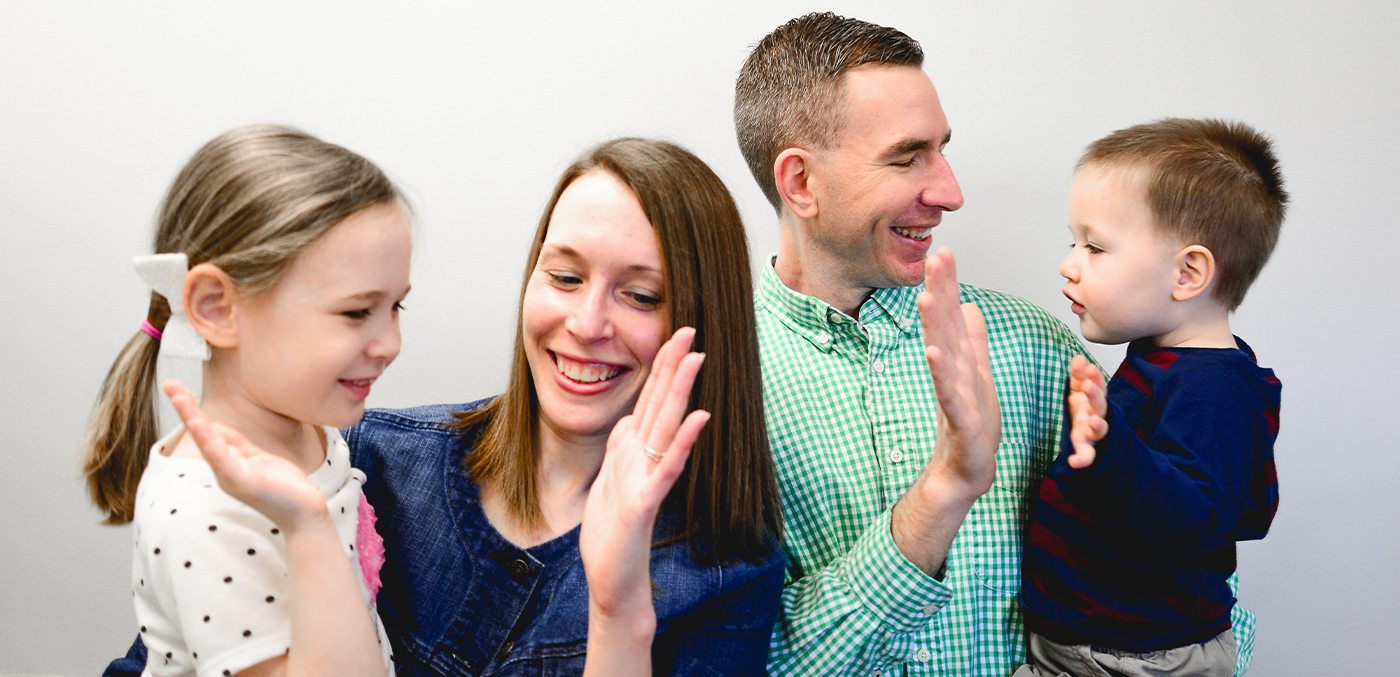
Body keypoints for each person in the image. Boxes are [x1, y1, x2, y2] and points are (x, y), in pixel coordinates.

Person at [104, 137, 786, 677]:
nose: (585, 322)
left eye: (641, 295)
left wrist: (619, 610)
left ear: (701, 319)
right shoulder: (366, 455)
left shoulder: (727, 570)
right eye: (565, 276)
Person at [733, 13, 1259, 676]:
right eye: (907, 156)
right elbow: (739, 658)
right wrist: (943, 493)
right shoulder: (713, 386)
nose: (950, 191)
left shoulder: (1038, 351)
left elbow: (1184, 566)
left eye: (942, 149)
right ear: (800, 182)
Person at [84, 124, 411, 677]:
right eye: (357, 312)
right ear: (217, 308)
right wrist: (307, 526)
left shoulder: (306, 430)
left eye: (398, 307)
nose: (391, 345)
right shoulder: (204, 515)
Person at [1016, 118, 1286, 677]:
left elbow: (1196, 520)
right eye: (1074, 242)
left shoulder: (1215, 388)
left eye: (1094, 246)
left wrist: (1111, 446)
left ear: (1188, 273)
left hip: (1141, 657)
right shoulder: (1161, 361)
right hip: (1086, 641)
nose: (1069, 264)